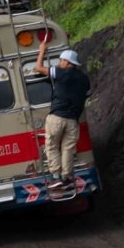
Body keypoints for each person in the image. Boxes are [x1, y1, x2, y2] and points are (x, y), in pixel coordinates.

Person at [33, 37, 91, 192]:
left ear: (67, 62)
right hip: (73, 121)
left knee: (52, 146)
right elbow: (87, 94)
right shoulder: (84, 78)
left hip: (57, 117)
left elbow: (38, 68)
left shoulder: (61, 73)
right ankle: (67, 179)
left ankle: (56, 177)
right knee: (67, 149)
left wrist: (42, 51)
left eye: (61, 60)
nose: (59, 63)